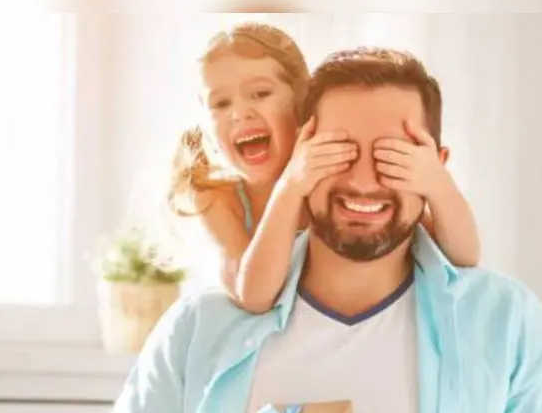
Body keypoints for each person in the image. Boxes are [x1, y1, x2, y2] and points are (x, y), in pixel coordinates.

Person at [73, 46, 542, 413]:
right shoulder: (203, 323)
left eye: (394, 157)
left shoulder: (499, 319)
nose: (363, 179)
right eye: (337, 152)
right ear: (298, 161)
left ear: (437, 165)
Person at [169, 23, 481, 313]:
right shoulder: (215, 196)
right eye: (220, 104)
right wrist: (290, 189)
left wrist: (437, 184)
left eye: (261, 93)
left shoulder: (334, 177)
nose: (240, 113)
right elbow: (253, 296)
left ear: (302, 105)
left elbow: (464, 256)